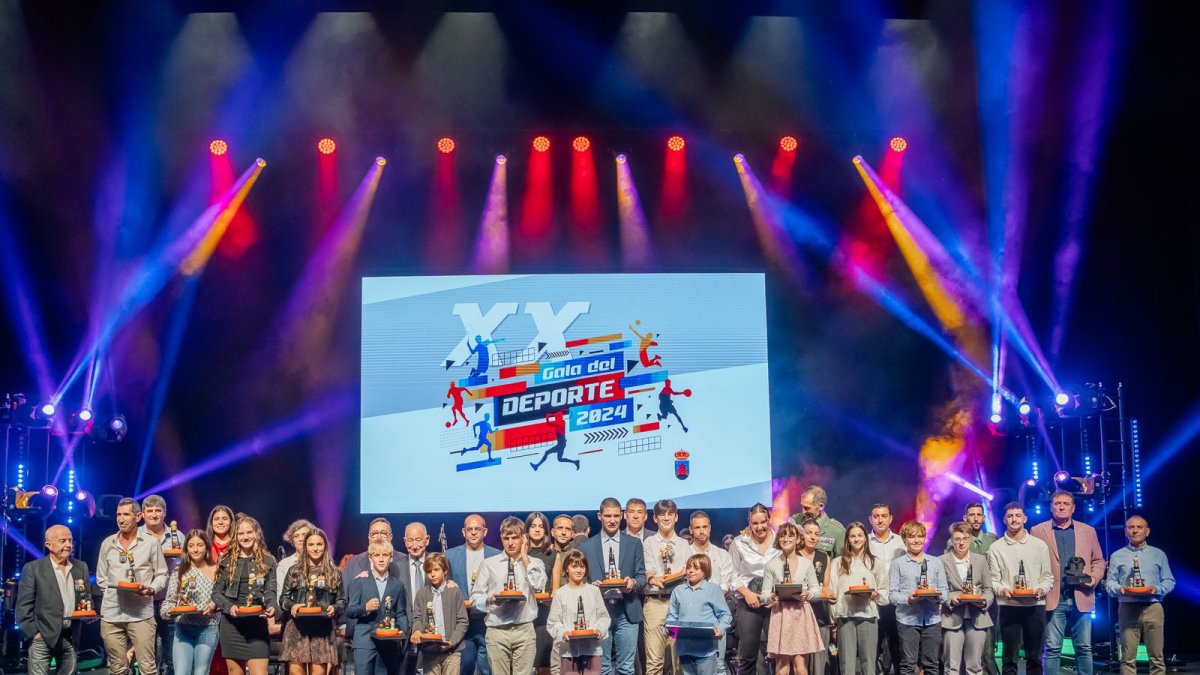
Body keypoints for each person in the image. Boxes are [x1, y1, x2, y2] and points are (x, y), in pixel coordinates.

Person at [1030, 491, 1105, 675]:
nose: (1061, 507)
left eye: (1065, 503)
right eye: (1057, 503)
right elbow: (1032, 562)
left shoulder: (1088, 531)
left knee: (1084, 648)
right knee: (1053, 649)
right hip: (1054, 598)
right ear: (1051, 507)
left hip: (1082, 595)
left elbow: (1098, 561)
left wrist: (1094, 579)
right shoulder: (1038, 531)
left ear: (1073, 508)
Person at [97, 497, 169, 675]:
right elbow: (101, 578)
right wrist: (116, 593)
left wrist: (150, 589)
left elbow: (162, 573)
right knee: (118, 668)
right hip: (112, 614)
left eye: (126, 515)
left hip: (141, 614)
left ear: (138, 516)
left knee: (148, 668)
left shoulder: (151, 543)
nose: (121, 519)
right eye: (118, 515)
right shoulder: (108, 543)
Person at [470, 517, 548, 675]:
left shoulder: (535, 563)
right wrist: (491, 600)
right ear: (501, 539)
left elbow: (539, 585)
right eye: (506, 538)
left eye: (515, 538)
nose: (510, 542)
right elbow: (475, 598)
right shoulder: (489, 564)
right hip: (497, 630)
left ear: (523, 538)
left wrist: (525, 557)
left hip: (524, 629)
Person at [579, 497, 647, 675]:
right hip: (599, 611)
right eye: (608, 515)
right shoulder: (587, 546)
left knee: (626, 667)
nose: (612, 520)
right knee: (603, 667)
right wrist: (591, 587)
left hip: (627, 610)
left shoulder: (634, 543)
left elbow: (641, 576)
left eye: (616, 516)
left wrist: (632, 583)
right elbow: (580, 581)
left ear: (622, 516)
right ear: (599, 516)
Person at [986, 503, 1053, 675]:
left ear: (1025, 518)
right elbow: (994, 580)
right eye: (1010, 516)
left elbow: (1047, 576)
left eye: (1018, 515)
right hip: (1009, 606)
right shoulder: (996, 547)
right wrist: (1003, 591)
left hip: (1035, 606)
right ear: (1004, 519)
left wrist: (1041, 589)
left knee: (1035, 657)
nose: (1014, 519)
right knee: (1009, 657)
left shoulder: (1039, 545)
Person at [16, 524, 90, 675]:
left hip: (70, 636)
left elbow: (86, 597)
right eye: (63, 541)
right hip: (42, 637)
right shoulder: (33, 568)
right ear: (48, 545)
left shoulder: (81, 567)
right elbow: (23, 607)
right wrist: (34, 634)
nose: (68, 545)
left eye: (70, 541)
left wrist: (88, 612)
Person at [1105, 516, 1174, 675]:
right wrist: (1120, 589)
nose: (1135, 530)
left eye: (1139, 527)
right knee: (1128, 658)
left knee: (1156, 657)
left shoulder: (1158, 554)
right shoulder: (1117, 555)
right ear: (1125, 532)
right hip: (1128, 608)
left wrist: (1156, 589)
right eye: (1130, 527)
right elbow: (1109, 583)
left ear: (1147, 531)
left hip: (1153, 607)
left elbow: (1169, 581)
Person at [213, 515, 279, 675]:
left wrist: (272, 606)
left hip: (256, 625)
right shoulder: (226, 561)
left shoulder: (268, 560)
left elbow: (270, 591)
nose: (245, 537)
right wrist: (229, 607)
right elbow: (216, 593)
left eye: (249, 532)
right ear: (235, 536)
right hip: (231, 625)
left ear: (256, 533)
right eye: (241, 533)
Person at [943, 503, 999, 675]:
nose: (961, 542)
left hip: (978, 615)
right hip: (953, 617)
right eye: (957, 539)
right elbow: (940, 587)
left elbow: (988, 589)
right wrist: (950, 598)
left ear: (970, 540)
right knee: (952, 666)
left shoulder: (981, 558)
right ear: (952, 540)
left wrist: (984, 600)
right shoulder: (941, 560)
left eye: (965, 539)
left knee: (977, 664)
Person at [760, 523, 823, 675]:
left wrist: (807, 594)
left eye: (790, 535)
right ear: (778, 539)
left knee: (800, 666)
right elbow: (764, 596)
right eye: (783, 535)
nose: (786, 538)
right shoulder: (771, 565)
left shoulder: (806, 564)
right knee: (782, 667)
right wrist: (773, 596)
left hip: (801, 615)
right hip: (781, 616)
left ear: (797, 539)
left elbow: (817, 592)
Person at [281, 528, 345, 675]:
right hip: (297, 629)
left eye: (319, 544)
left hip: (321, 629)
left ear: (325, 546)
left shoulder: (334, 573)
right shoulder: (294, 571)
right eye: (311, 545)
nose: (315, 548)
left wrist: (334, 608)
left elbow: (341, 601)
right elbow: (283, 599)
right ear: (305, 547)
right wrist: (292, 605)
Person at [887, 520, 946, 675]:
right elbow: (892, 595)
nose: (917, 540)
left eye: (920, 536)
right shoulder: (898, 564)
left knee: (932, 665)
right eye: (912, 537)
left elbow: (944, 591)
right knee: (907, 665)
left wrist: (937, 598)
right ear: (905, 539)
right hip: (907, 620)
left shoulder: (936, 562)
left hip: (932, 619)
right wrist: (909, 598)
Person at [832, 522, 889, 675]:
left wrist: (875, 595)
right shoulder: (838, 562)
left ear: (865, 538)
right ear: (847, 539)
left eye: (860, 535)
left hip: (868, 616)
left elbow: (884, 592)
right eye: (852, 536)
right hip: (845, 616)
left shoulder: (875, 562)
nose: (856, 539)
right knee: (846, 663)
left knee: (869, 661)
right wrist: (834, 620)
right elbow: (833, 592)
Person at [447, 514, 501, 675]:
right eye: (469, 529)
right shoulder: (450, 556)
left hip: (488, 620)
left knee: (488, 668)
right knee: (465, 665)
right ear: (463, 532)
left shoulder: (497, 556)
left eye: (477, 529)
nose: (473, 533)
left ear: (485, 531)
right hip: (462, 622)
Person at [346, 540, 410, 675]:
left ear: (391, 557)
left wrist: (401, 630)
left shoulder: (397, 585)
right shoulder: (360, 581)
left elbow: (401, 613)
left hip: (388, 642)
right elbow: (350, 610)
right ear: (370, 557)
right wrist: (365, 608)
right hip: (364, 641)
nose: (381, 559)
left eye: (385, 555)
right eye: (377, 555)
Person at [162, 530, 221, 675]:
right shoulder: (179, 571)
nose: (195, 549)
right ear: (186, 549)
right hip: (183, 628)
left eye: (200, 545)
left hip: (207, 628)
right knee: (181, 672)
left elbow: (222, 599)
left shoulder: (217, 571)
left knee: (201, 672)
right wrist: (169, 611)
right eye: (191, 545)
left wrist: (214, 606)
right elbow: (168, 603)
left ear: (206, 547)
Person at [729, 503, 778, 675]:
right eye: (754, 523)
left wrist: (777, 595)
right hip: (748, 603)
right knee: (748, 654)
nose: (759, 527)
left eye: (763, 522)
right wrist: (747, 594)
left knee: (777, 654)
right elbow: (732, 576)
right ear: (749, 523)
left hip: (775, 603)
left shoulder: (781, 540)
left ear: (769, 520)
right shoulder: (739, 542)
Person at [643, 500, 689, 675]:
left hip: (679, 605)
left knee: (678, 661)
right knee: (655, 661)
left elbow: (688, 572)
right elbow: (648, 571)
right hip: (656, 603)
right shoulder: (649, 542)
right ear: (655, 518)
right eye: (662, 514)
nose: (666, 518)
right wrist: (652, 578)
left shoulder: (685, 545)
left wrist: (684, 573)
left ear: (676, 517)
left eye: (670, 514)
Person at [665, 554, 733, 675]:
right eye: (689, 567)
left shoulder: (713, 590)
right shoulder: (678, 591)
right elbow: (672, 615)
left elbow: (725, 614)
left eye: (696, 568)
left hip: (706, 650)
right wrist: (668, 628)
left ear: (705, 570)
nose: (691, 571)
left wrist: (720, 628)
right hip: (684, 648)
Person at [685, 511, 734, 675]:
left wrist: (708, 600)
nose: (701, 531)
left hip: (716, 616)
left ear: (710, 528)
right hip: (690, 616)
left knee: (719, 664)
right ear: (691, 530)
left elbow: (725, 585)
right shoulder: (684, 554)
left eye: (704, 526)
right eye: (697, 527)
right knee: (689, 665)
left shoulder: (722, 555)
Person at [547, 550, 611, 675]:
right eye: (574, 566)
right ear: (566, 569)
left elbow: (603, 617)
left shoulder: (594, 591)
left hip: (592, 649)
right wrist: (562, 633)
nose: (578, 570)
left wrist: (599, 629)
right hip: (569, 651)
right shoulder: (561, 593)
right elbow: (553, 622)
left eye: (582, 566)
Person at [411, 553, 469, 675]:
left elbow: (463, 621)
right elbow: (417, 617)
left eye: (436, 570)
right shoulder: (422, 594)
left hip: (452, 651)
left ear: (445, 570)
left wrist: (452, 641)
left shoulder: (454, 592)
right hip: (430, 651)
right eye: (429, 571)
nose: (432, 574)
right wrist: (416, 630)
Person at [141, 494, 178, 675]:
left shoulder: (177, 535)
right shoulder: (136, 535)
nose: (154, 514)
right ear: (142, 514)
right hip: (142, 602)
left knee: (172, 655)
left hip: (169, 601)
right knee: (148, 655)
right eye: (150, 511)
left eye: (158, 510)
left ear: (165, 513)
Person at [866, 504, 904, 675]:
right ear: (870, 519)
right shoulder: (864, 541)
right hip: (873, 601)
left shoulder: (901, 542)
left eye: (884, 516)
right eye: (876, 516)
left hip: (896, 602)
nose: (880, 520)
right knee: (873, 645)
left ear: (890, 518)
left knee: (897, 644)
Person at [798, 519, 833, 675]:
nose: (812, 537)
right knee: (800, 659)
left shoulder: (824, 556)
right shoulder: (793, 555)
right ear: (801, 535)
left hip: (819, 611)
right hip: (798, 611)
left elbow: (825, 586)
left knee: (819, 661)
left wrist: (830, 595)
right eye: (809, 533)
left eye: (816, 534)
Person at [527, 513, 557, 675]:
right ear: (527, 529)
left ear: (546, 530)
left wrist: (550, 600)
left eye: (541, 526)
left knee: (544, 663)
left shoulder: (552, 554)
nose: (537, 530)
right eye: (533, 526)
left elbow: (556, 588)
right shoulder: (518, 553)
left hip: (544, 612)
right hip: (522, 612)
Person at [789, 487, 845, 558]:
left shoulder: (837, 531)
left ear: (821, 506)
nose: (803, 512)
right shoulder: (794, 521)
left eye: (807, 508)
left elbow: (842, 563)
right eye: (802, 507)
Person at [278, 520, 316, 599]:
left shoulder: (320, 561)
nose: (301, 539)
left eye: (304, 535)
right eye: (296, 536)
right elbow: (280, 594)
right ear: (292, 540)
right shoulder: (284, 564)